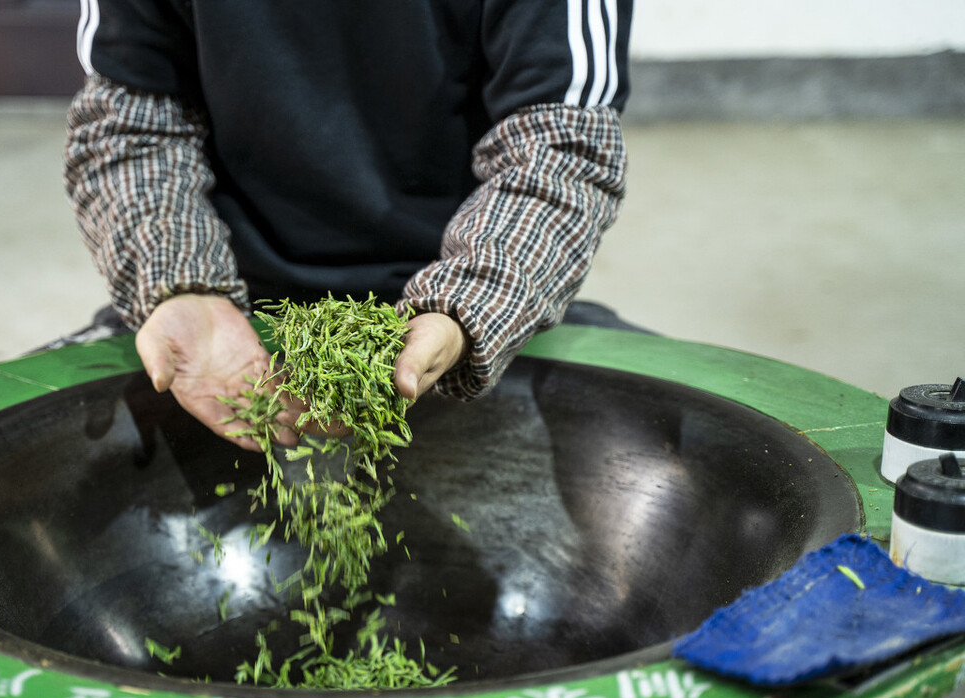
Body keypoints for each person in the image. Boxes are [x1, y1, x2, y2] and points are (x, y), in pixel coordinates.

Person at [65, 0, 631, 450]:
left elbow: (562, 149)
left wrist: (466, 306)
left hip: (465, 299)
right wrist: (179, 283)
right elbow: (130, 124)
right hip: (226, 299)